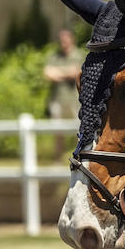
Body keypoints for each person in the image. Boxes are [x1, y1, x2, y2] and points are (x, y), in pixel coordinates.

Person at [44, 28, 83, 160]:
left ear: (72, 39)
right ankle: (58, 157)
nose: (63, 42)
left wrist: (58, 72)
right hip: (57, 99)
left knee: (79, 129)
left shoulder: (78, 55)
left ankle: (80, 155)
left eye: (66, 39)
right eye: (61, 39)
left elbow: (77, 72)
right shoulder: (54, 56)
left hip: (75, 99)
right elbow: (48, 74)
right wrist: (67, 72)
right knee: (57, 130)